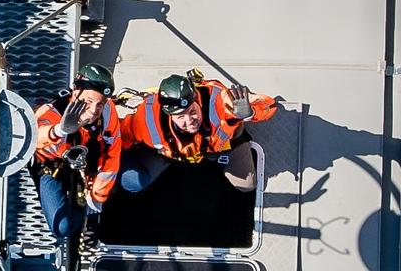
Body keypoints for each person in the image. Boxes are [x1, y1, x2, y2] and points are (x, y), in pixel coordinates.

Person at [104, 69, 280, 201]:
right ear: (169, 115)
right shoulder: (146, 120)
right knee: (133, 181)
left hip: (224, 147)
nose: (190, 121)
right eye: (181, 117)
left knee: (247, 184)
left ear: (196, 100)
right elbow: (120, 134)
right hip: (172, 154)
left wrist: (249, 113)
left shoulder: (221, 101)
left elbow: (268, 105)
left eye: (192, 111)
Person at [26, 84, 110, 248]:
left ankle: (87, 210)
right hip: (51, 169)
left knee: (126, 180)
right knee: (61, 227)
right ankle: (79, 214)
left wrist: (95, 207)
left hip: (85, 168)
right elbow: (35, 137)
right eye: (89, 101)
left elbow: (110, 158)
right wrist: (60, 130)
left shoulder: (106, 115)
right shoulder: (51, 112)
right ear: (76, 93)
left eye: (99, 104)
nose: (94, 110)